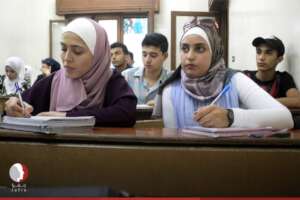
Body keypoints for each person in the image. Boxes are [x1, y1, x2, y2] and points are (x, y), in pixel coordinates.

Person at [153, 18, 294, 129]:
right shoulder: (170, 90)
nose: (189, 56)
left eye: (200, 49)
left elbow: (285, 118)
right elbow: (172, 142)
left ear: (215, 53)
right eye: (184, 48)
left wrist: (230, 117)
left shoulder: (234, 80)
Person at [5, 17, 137, 127]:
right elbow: (21, 102)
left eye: (77, 51)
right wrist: (14, 105)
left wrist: (65, 117)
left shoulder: (111, 80)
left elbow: (127, 113)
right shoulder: (54, 81)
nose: (66, 58)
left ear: (97, 54)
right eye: (63, 49)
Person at [244, 36, 300, 108]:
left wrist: (264, 102)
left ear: (279, 59)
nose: (261, 57)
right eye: (258, 52)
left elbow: (297, 101)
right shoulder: (245, 76)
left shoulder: (283, 78)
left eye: (268, 53)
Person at [122, 33, 170, 105]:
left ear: (165, 56)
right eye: (144, 55)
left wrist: (163, 104)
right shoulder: (126, 76)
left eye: (153, 55)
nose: (147, 60)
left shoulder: (171, 79)